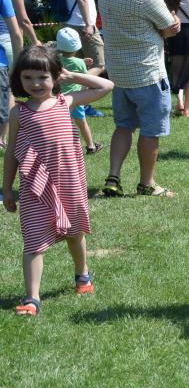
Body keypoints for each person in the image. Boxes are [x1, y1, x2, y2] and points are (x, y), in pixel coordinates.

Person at [4, 46, 113, 316]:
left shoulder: (66, 102)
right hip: (35, 187)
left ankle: (82, 274)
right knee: (33, 241)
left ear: (55, 77)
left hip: (69, 182)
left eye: (43, 77)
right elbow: (11, 152)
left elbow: (106, 86)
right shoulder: (19, 113)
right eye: (28, 78)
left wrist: (70, 75)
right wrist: (6, 188)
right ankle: (32, 298)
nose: (35, 84)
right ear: (19, 79)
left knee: (75, 234)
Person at [97, 0, 181, 198]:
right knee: (150, 131)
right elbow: (170, 28)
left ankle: (113, 178)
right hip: (148, 74)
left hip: (119, 74)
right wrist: (171, 25)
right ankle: (147, 184)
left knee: (123, 126)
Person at [55, 28, 102, 154]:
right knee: (82, 122)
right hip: (76, 98)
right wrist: (82, 62)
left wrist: (82, 61)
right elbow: (86, 79)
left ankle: (61, 148)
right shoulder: (79, 63)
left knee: (61, 125)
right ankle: (91, 146)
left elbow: (66, 62)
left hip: (59, 98)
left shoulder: (55, 60)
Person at [0, 0, 26, 145]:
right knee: (7, 93)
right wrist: (20, 58)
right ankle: (3, 138)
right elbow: (16, 29)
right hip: (3, 47)